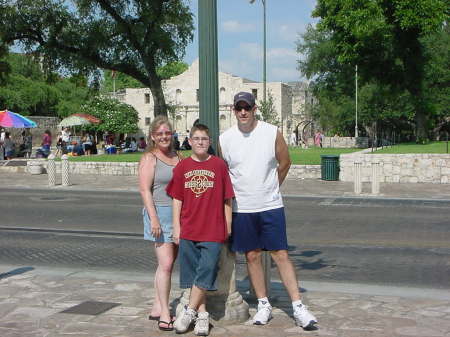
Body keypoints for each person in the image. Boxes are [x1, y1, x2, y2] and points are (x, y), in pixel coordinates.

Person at [219, 92, 318, 330]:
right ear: (234, 110)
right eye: (239, 108)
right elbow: (225, 173)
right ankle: (263, 304)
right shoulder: (225, 139)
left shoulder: (271, 132)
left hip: (270, 205)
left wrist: (272, 186)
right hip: (243, 208)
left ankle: (298, 306)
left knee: (280, 254)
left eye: (247, 107)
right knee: (251, 255)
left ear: (254, 109)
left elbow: (285, 162)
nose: (243, 112)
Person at [167, 124, 234, 336]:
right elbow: (177, 199)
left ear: (210, 142)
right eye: (196, 138)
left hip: (213, 229)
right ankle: (202, 315)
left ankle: (188, 311)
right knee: (194, 275)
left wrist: (228, 225)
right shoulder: (182, 167)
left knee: (206, 270)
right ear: (190, 141)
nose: (200, 142)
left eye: (204, 139)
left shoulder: (219, 166)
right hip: (189, 228)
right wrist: (177, 227)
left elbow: (227, 199)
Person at [138, 116, 181, 332]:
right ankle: (165, 312)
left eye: (167, 133)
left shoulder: (178, 157)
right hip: (160, 214)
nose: (164, 137)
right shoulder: (149, 158)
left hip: (178, 215)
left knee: (168, 263)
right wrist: (153, 217)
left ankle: (157, 304)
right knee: (165, 264)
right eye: (160, 134)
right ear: (153, 137)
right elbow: (145, 190)